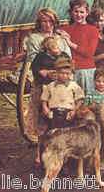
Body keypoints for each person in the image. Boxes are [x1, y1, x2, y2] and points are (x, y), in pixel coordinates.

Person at [31, 37, 71, 166]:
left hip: (62, 93)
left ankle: (61, 154)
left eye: (58, 47)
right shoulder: (41, 57)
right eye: (54, 48)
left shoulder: (63, 55)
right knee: (44, 123)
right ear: (48, 49)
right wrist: (46, 73)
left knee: (61, 123)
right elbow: (38, 71)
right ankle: (40, 154)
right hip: (47, 90)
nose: (57, 51)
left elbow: (70, 68)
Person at [61, 0, 99, 94]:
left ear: (87, 13)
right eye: (76, 11)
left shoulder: (93, 30)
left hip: (85, 70)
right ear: (71, 12)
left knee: (85, 100)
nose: (78, 15)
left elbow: (89, 52)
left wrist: (71, 44)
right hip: (69, 69)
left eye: (82, 12)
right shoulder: (66, 29)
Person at [41, 57, 84, 130]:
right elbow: (44, 99)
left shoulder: (73, 85)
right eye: (62, 73)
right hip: (53, 113)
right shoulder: (50, 86)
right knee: (52, 131)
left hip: (68, 113)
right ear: (57, 72)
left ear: (70, 73)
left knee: (67, 131)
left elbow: (79, 99)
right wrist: (46, 109)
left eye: (67, 73)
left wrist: (74, 110)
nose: (64, 76)